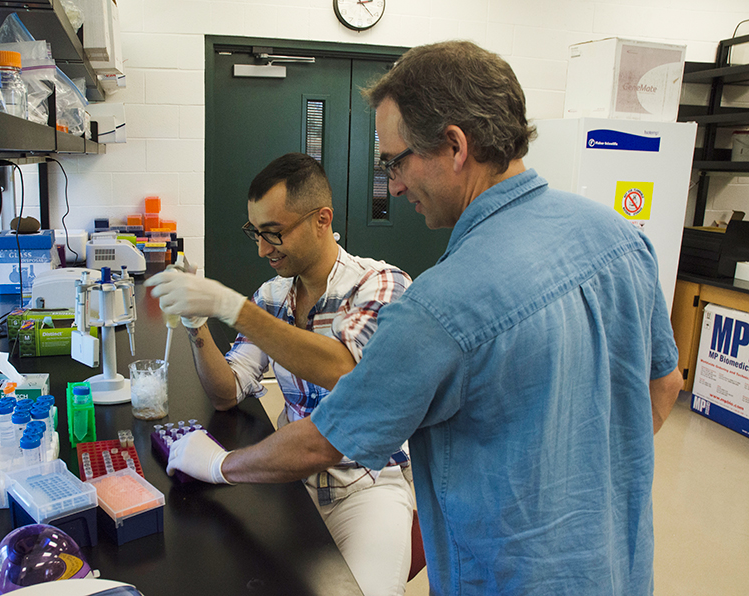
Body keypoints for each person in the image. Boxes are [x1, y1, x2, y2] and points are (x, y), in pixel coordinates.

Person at [156, 41, 684, 595]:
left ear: (455, 146)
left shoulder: (437, 303)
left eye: (396, 161)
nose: (394, 183)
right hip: (618, 572)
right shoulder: (622, 240)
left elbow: (324, 442)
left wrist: (218, 466)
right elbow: (664, 383)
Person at [147, 152, 416, 596]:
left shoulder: (381, 285)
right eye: (255, 232)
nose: (261, 249)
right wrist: (197, 326)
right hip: (290, 481)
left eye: (273, 233)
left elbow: (344, 370)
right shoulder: (273, 295)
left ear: (321, 220)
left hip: (365, 486)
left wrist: (230, 307)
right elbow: (227, 392)